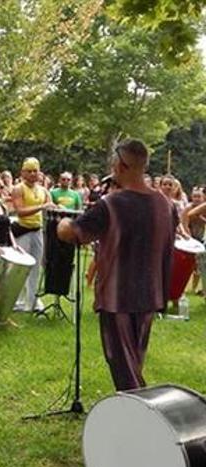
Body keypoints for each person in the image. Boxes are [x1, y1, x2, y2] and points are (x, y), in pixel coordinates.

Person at [58, 139, 176, 391]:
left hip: (118, 295)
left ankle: (141, 418)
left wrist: (63, 224)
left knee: (124, 367)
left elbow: (74, 234)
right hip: (150, 293)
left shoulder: (111, 204)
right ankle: (135, 414)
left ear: (121, 166)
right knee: (134, 360)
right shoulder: (166, 205)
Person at [10, 157, 52, 312]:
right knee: (21, 267)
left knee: (35, 267)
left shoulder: (43, 190)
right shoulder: (18, 188)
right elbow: (20, 211)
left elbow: (51, 206)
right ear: (22, 172)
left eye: (36, 170)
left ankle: (33, 300)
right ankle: (16, 300)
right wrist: (42, 206)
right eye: (30, 171)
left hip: (38, 230)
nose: (33, 174)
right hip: (23, 230)